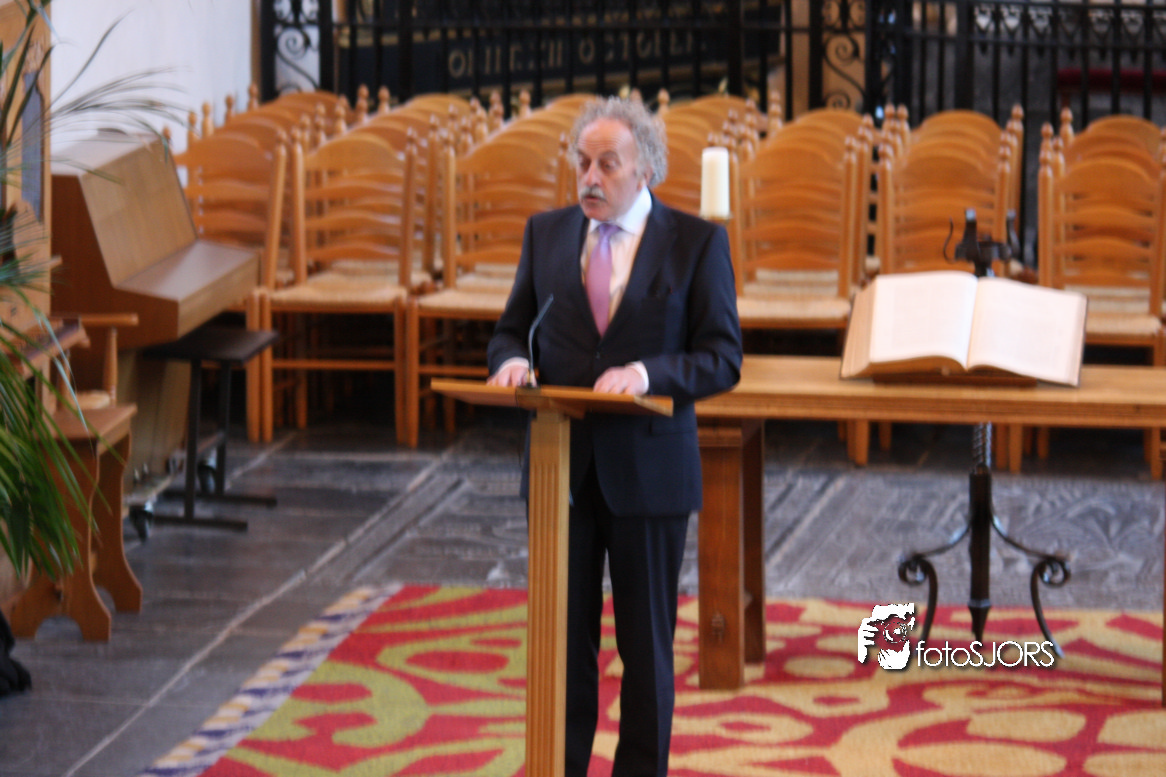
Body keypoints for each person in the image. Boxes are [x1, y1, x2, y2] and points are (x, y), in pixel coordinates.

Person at [486, 96, 742, 777]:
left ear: (646, 168)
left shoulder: (695, 244)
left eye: (607, 164)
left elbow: (722, 358)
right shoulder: (546, 233)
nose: (590, 178)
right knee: (564, 645)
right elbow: (511, 330)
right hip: (561, 470)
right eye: (582, 163)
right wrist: (510, 362)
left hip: (649, 473)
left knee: (645, 649)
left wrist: (647, 373)